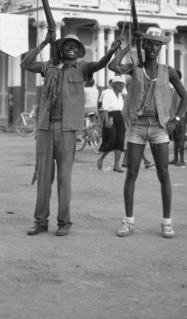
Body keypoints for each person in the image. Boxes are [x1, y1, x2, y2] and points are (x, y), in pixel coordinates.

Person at [22, 32, 122, 237]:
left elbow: (100, 64)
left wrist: (111, 51)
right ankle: (40, 221)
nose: (72, 48)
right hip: (45, 128)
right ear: (60, 48)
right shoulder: (49, 66)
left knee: (64, 178)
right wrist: (43, 43)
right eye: (67, 45)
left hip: (67, 130)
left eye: (75, 46)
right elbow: (26, 63)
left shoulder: (82, 68)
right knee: (43, 177)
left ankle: (64, 222)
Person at [110, 27, 187, 239]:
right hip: (137, 126)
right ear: (143, 45)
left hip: (159, 127)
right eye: (149, 43)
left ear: (160, 47)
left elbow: (184, 97)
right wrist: (128, 44)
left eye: (157, 44)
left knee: (163, 174)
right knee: (131, 174)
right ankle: (128, 222)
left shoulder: (167, 71)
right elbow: (113, 65)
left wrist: (176, 119)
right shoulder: (136, 67)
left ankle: (167, 223)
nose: (153, 47)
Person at [97, 76, 126, 173]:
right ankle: (101, 158)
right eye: (121, 84)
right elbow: (105, 108)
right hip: (110, 116)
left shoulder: (121, 96)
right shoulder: (108, 94)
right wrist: (106, 121)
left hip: (119, 117)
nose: (122, 86)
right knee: (111, 140)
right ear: (115, 85)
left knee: (120, 141)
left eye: (123, 84)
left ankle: (116, 165)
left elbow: (122, 110)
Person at [169, 70, 186, 168]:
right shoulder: (175, 89)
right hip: (174, 116)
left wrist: (176, 117)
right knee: (176, 139)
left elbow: (180, 105)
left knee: (180, 139)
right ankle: (176, 158)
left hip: (179, 117)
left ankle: (181, 159)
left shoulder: (180, 89)